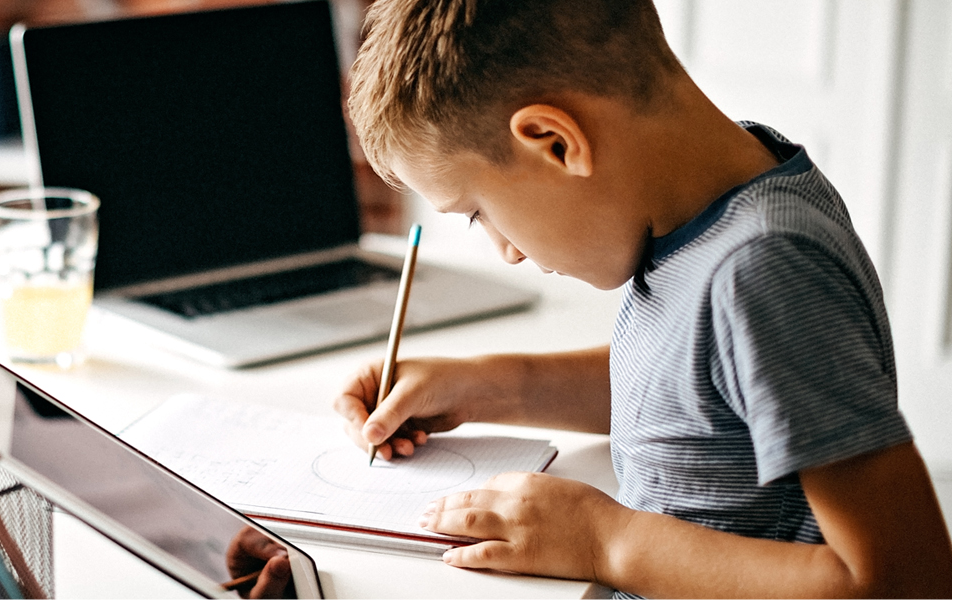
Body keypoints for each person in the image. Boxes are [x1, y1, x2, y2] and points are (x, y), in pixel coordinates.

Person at [331, 0, 952, 597]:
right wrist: (490, 386)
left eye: (476, 213)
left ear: (554, 141)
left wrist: (606, 542)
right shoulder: (710, 200)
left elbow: (902, 579)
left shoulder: (764, 267)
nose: (507, 252)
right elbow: (700, 396)